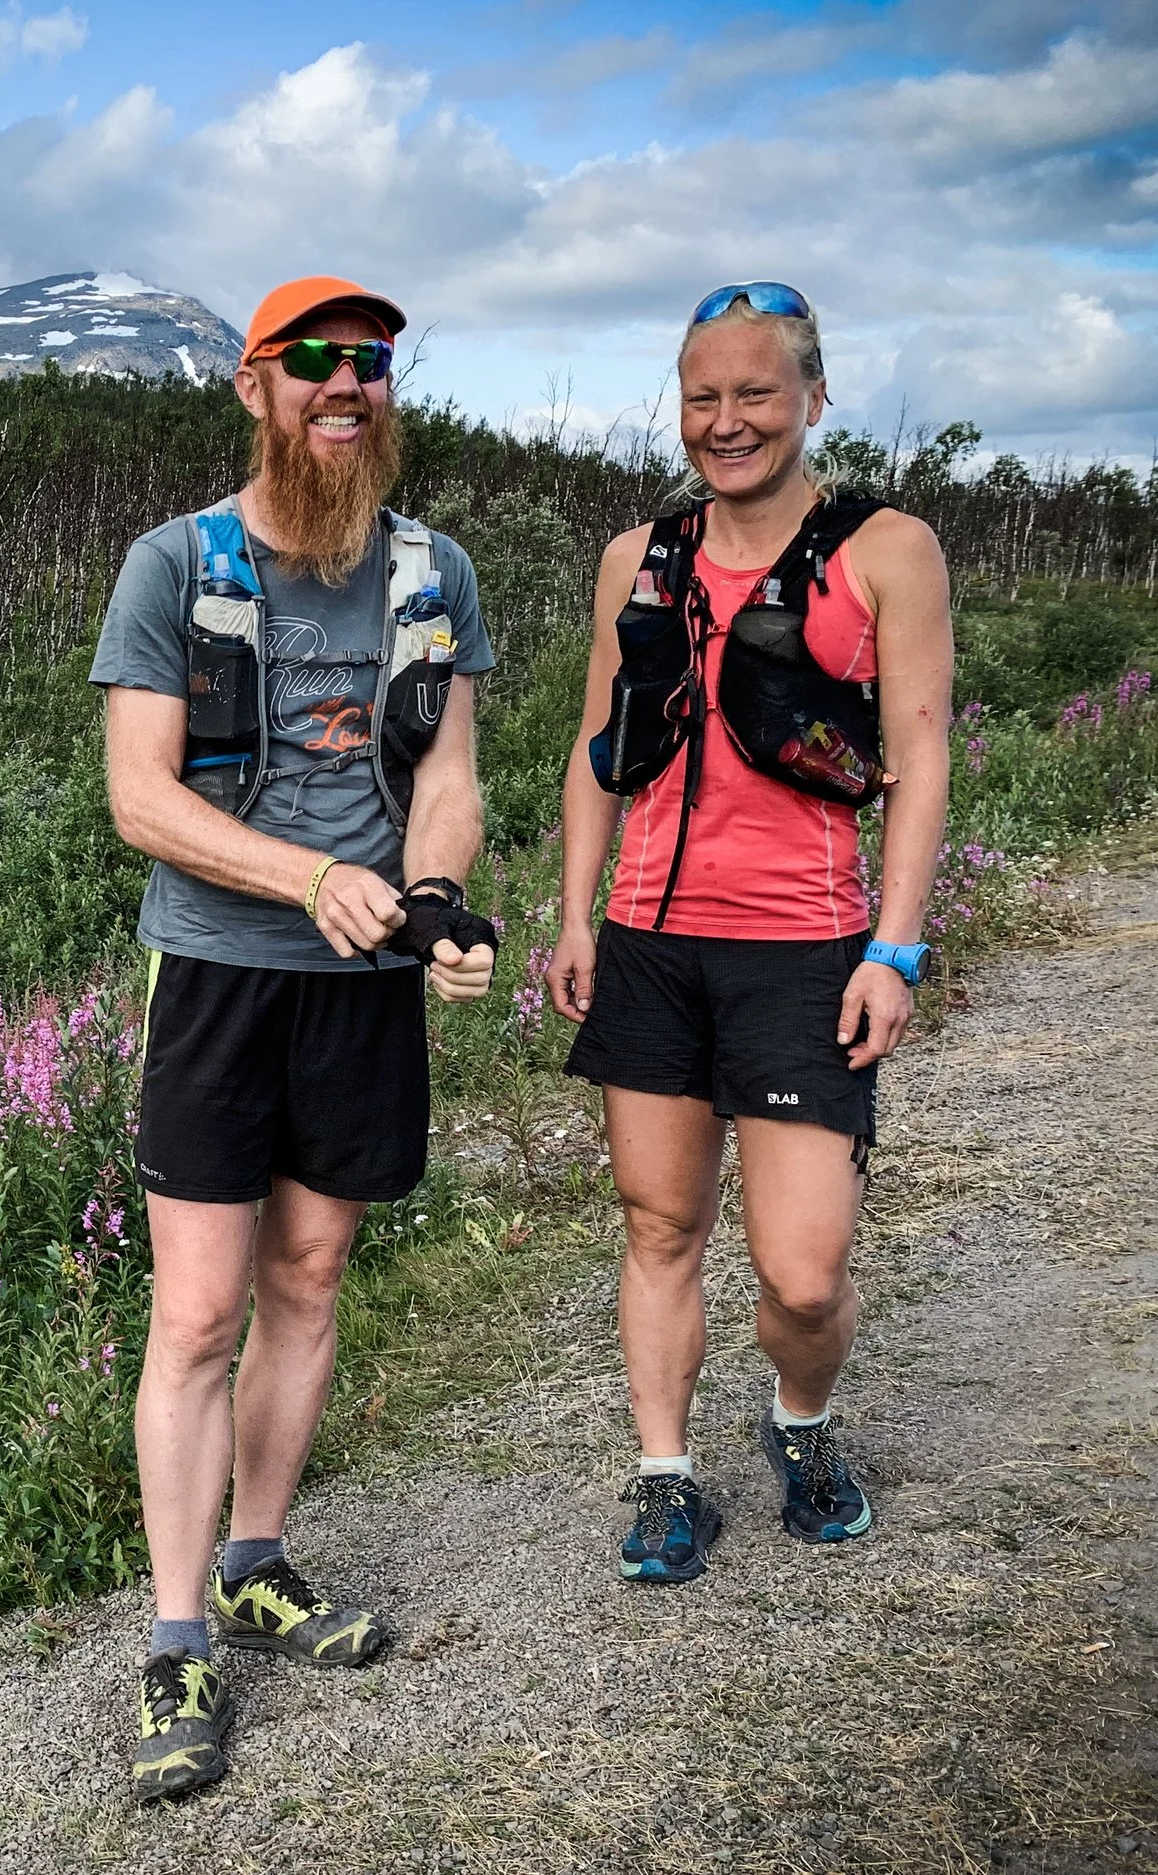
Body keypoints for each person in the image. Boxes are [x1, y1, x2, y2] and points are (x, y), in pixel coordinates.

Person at [92, 274, 499, 1801]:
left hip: (361, 980)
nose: (350, 382)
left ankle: (258, 1560)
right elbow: (140, 796)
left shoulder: (433, 568)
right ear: (256, 388)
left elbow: (448, 767)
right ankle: (177, 1637)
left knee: (310, 1273)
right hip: (215, 972)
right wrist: (314, 878)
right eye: (316, 361)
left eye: (373, 361)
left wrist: (435, 895)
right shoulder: (172, 561)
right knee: (198, 1311)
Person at [545, 281, 953, 1586]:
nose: (727, 422)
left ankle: (801, 1424)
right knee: (660, 1223)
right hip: (653, 941)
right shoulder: (639, 559)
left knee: (804, 1270)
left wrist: (894, 948)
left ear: (813, 397)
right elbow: (597, 749)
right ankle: (667, 1478)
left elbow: (923, 751)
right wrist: (576, 916)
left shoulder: (887, 548)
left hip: (806, 947)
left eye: (755, 394)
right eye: (703, 397)